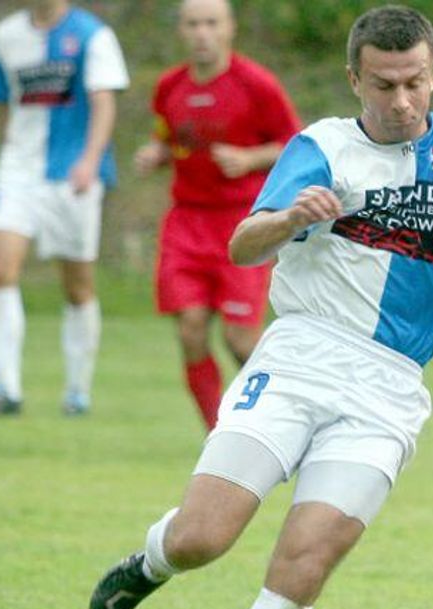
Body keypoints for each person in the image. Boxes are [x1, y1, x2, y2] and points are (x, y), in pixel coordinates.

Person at [88, 4, 433, 609]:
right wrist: (290, 215)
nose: (403, 101)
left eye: (417, 83)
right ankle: (152, 559)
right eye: (386, 85)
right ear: (355, 77)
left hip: (388, 390)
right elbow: (243, 243)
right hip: (297, 358)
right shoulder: (321, 145)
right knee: (203, 538)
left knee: (305, 561)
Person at [134, 0, 301, 430]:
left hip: (241, 222)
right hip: (186, 222)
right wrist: (157, 153)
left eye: (211, 23)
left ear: (230, 29)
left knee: (240, 338)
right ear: (181, 32)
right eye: (193, 24)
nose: (202, 33)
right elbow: (171, 137)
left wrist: (250, 158)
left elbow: (295, 145)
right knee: (190, 330)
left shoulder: (256, 85)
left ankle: (290, 415)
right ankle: (218, 433)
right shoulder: (169, 86)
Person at [0, 0, 129, 417]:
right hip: (19, 172)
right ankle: (7, 388)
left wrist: (90, 160)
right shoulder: (4, 37)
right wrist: (9, 155)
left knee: (76, 284)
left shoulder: (93, 35)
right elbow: (6, 103)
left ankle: (77, 390)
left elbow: (103, 103)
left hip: (72, 174)